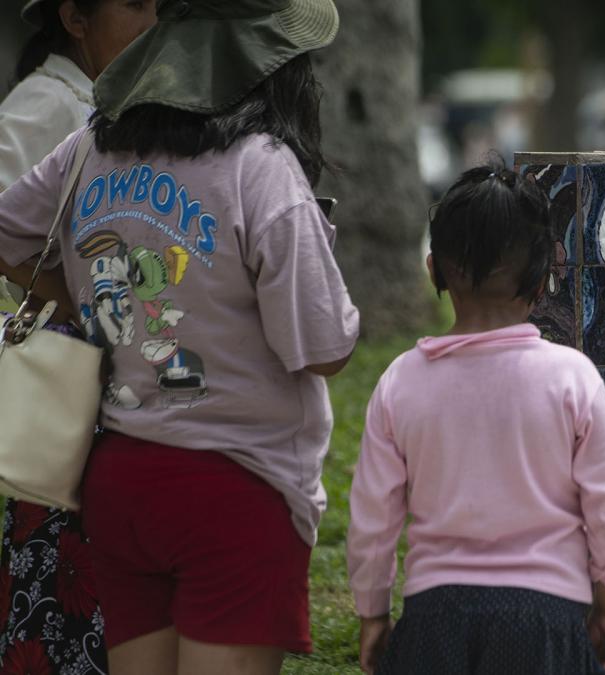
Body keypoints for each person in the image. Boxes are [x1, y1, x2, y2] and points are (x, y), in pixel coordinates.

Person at [0, 1, 359, 673]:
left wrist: (84, 293)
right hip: (238, 490)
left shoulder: (91, 147)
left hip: (120, 484)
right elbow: (324, 349)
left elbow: (7, 231)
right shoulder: (262, 167)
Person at [346, 162, 605, 675]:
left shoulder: (402, 380)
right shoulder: (573, 377)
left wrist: (373, 614)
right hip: (547, 617)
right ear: (545, 277)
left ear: (434, 269)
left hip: (434, 617)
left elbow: (373, 518)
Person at [0, 0, 155, 671]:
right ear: (75, 17)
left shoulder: (101, 101)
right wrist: (80, 300)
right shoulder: (48, 108)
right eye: (135, 4)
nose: (151, 20)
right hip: (71, 386)